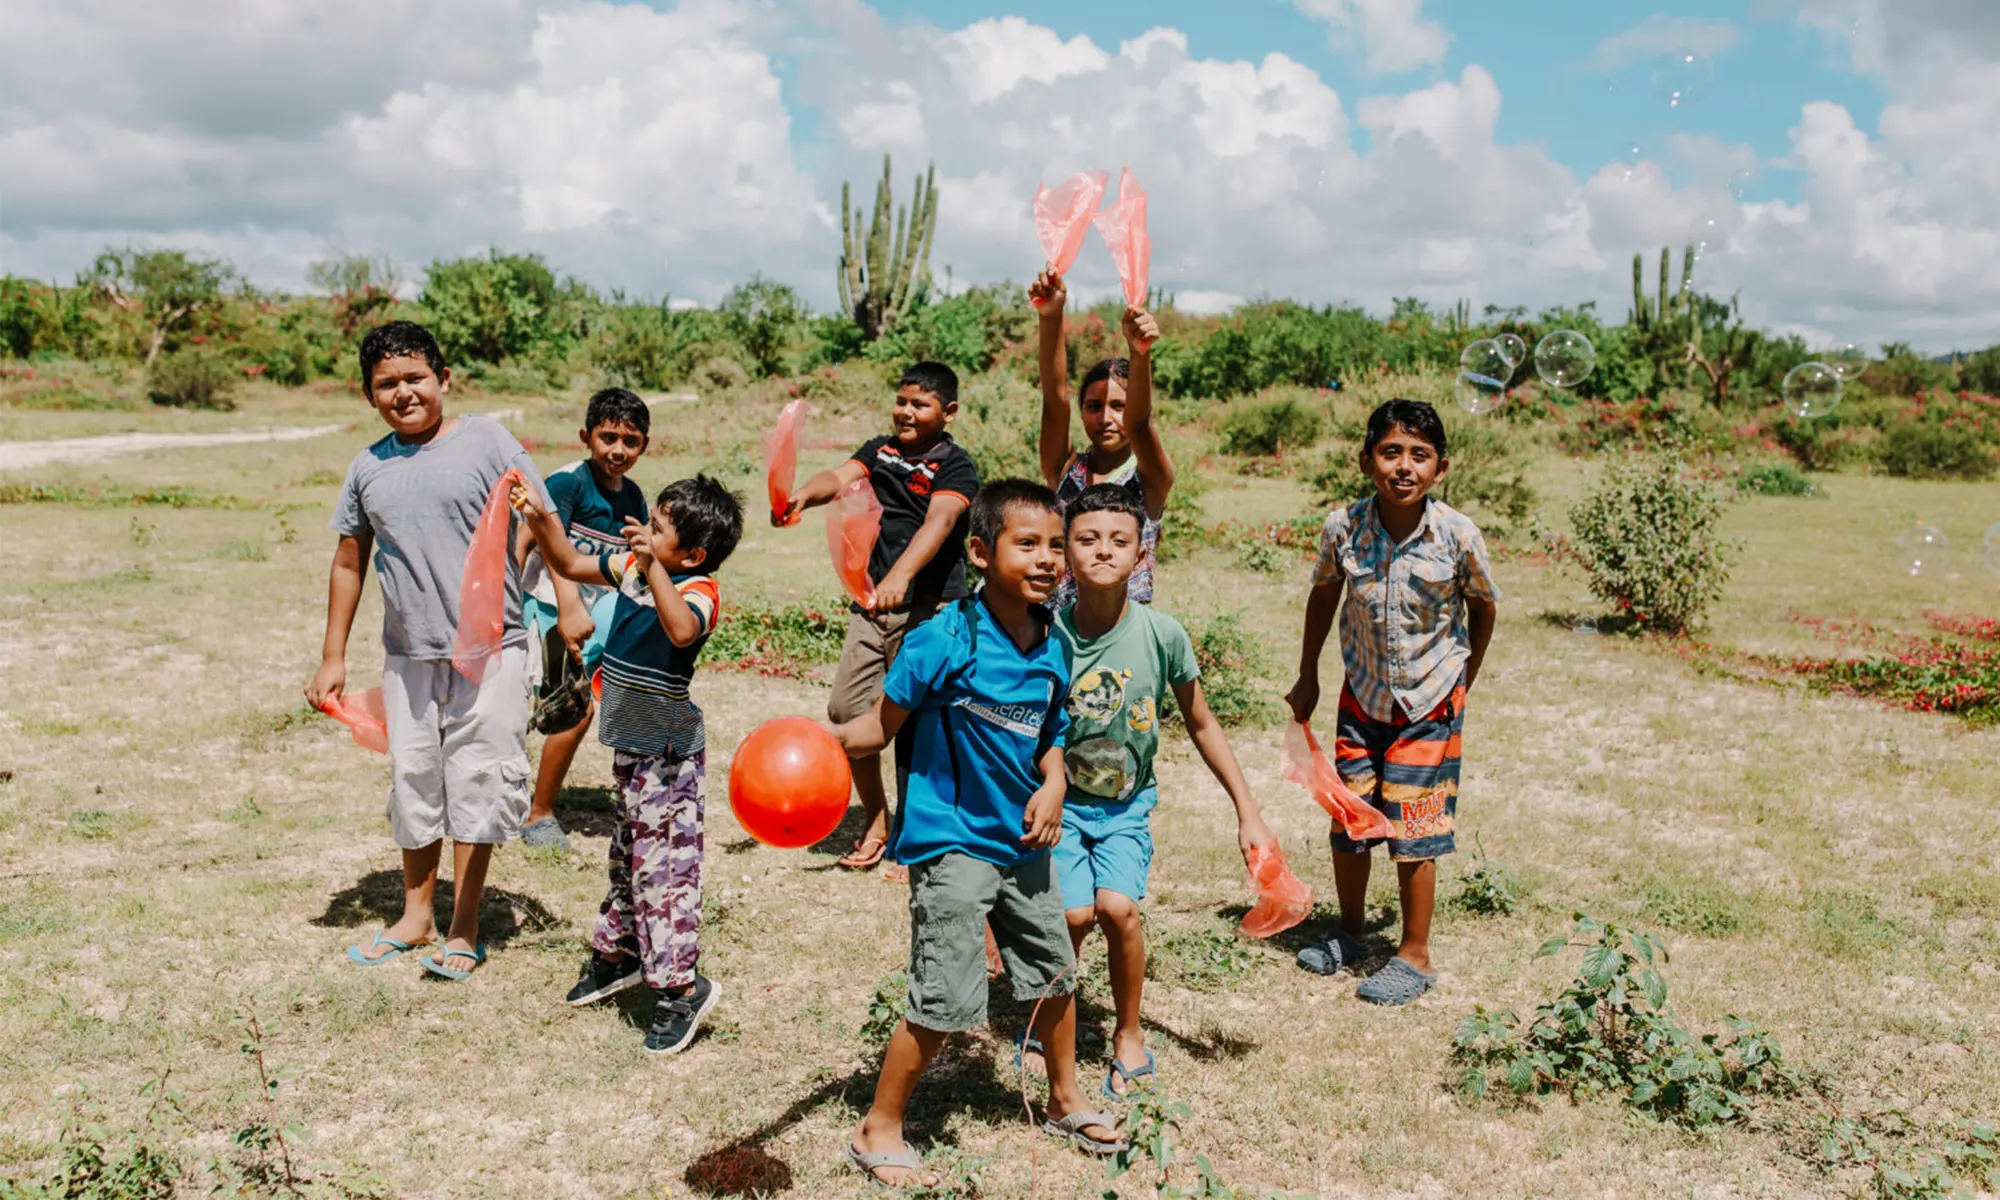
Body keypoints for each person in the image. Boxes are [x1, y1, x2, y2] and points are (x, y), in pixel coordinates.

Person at [827, 480, 1124, 1189]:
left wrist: (1053, 784)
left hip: (1023, 845)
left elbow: (1051, 738)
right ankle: (879, 1127)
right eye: (1030, 544)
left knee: (1055, 974)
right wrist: (819, 743)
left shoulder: (1053, 645)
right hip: (950, 841)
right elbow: (879, 725)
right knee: (945, 995)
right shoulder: (943, 639)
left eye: (1057, 545)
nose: (1050, 559)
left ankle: (1064, 1098)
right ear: (981, 553)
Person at [306, 319, 550, 981]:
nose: (403, 392)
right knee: (413, 781)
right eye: (387, 384)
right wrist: (333, 654)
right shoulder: (368, 467)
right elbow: (349, 560)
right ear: (368, 395)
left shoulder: (489, 441)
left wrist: (568, 607)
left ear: (444, 378)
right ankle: (416, 918)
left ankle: (465, 925)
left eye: (415, 377)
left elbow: (541, 522)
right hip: (407, 655)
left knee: (477, 779)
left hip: (490, 650)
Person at [1048, 483, 1278, 1096]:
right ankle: (1054, 1043)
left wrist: (1247, 811)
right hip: (1059, 807)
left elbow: (1202, 721)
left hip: (1126, 806)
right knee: (1071, 916)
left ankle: (1128, 1033)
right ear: (1065, 550)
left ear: (1141, 554)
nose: (1103, 551)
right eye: (1086, 539)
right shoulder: (1045, 636)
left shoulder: (1162, 635)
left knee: (1117, 909)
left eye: (1119, 541)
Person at [511, 472, 742, 1053]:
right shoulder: (638, 569)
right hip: (632, 750)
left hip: (668, 755)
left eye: (659, 530)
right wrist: (539, 517)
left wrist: (654, 567)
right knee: (628, 858)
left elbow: (681, 629)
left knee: (663, 875)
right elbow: (567, 562)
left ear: (693, 554)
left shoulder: (699, 591)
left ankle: (681, 990)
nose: (644, 533)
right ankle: (619, 955)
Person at [1284, 399, 1499, 1006]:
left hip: (1430, 701)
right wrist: (1308, 675)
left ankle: (1414, 954)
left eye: (1420, 456)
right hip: (1363, 697)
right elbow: (1323, 597)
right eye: (1391, 452)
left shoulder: (1457, 534)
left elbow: (1483, 607)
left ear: (1441, 468)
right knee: (1349, 816)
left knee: (1416, 824)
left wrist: (1465, 677)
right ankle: (1351, 932)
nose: (1404, 466)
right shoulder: (1343, 527)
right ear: (1366, 460)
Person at [777, 362, 979, 873]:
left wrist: (902, 576)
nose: (907, 411)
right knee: (848, 712)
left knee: (916, 725)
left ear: (948, 412)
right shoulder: (880, 449)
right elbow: (840, 476)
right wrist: (803, 493)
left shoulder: (955, 466)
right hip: (871, 607)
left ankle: (918, 838)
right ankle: (877, 818)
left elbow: (941, 521)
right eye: (902, 400)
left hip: (930, 611)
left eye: (921, 404)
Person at [518, 387, 653, 851]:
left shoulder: (633, 497)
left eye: (630, 441)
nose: (618, 450)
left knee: (573, 706)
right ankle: (538, 815)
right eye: (608, 437)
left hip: (596, 615)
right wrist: (504, 606)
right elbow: (532, 540)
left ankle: (533, 800)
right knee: (570, 709)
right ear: (586, 436)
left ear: (644, 446)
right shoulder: (567, 483)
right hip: (550, 608)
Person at [1028, 268, 1174, 608]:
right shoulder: (1064, 468)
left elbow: (1139, 424)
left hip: (1122, 634)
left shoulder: (1150, 477)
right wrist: (1050, 317)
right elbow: (1054, 400)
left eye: (1119, 406)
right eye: (1094, 406)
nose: (1106, 418)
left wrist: (1140, 352)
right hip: (1057, 631)